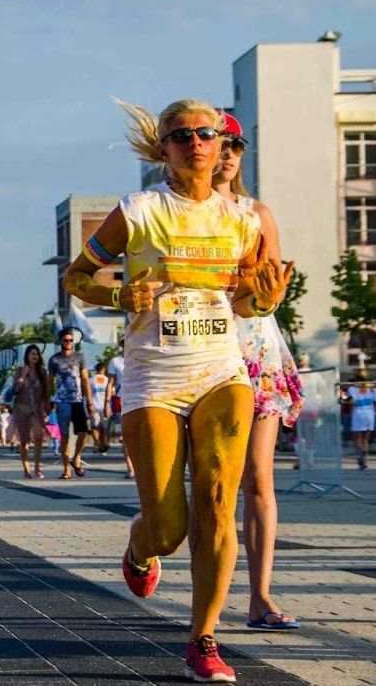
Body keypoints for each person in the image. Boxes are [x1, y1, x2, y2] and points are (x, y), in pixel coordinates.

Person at [63, 98, 290, 683]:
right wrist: (118, 296)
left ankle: (204, 639)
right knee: (169, 525)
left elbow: (245, 303)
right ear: (162, 148)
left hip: (221, 371)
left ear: (221, 146)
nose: (195, 142)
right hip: (154, 377)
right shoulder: (139, 212)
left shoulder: (242, 219)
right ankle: (142, 549)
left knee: (218, 500)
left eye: (205, 133)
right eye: (181, 134)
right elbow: (76, 278)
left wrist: (263, 300)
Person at [212, 112, 304, 631]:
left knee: (258, 477)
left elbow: (271, 284)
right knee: (208, 483)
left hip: (254, 349)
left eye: (235, 146)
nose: (226, 154)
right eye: (219, 144)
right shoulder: (180, 211)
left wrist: (266, 291)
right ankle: (151, 538)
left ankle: (260, 597)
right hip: (199, 349)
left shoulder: (256, 212)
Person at [47, 329, 93, 480]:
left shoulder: (80, 357)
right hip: (62, 401)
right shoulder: (54, 360)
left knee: (83, 433)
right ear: (60, 341)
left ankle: (76, 457)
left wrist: (89, 400)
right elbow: (50, 380)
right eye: (65, 340)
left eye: (70, 340)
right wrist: (47, 399)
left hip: (78, 400)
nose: (68, 343)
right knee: (65, 436)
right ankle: (67, 469)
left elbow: (85, 379)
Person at [10, 345, 48, 478]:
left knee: (38, 436)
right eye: (32, 354)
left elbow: (46, 392)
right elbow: (15, 389)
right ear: (27, 356)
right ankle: (26, 468)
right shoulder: (20, 370)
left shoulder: (42, 372)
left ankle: (37, 467)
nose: (35, 356)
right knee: (24, 440)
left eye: (37, 354)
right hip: (22, 408)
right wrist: (22, 375)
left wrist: (46, 408)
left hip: (37, 409)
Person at [105, 339, 133, 479]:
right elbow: (110, 383)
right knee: (124, 436)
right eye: (124, 342)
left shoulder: (138, 356)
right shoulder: (115, 362)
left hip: (137, 399)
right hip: (119, 401)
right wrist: (107, 403)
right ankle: (130, 468)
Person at [347, 369, 374, 470]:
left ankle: (361, 455)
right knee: (365, 439)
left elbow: (351, 403)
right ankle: (364, 459)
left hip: (358, 413)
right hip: (370, 413)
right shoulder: (371, 388)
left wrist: (351, 414)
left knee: (357, 439)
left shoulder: (352, 389)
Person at [89, 360, 110, 454]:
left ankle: (97, 444)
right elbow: (112, 392)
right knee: (104, 427)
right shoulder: (107, 380)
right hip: (104, 406)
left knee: (95, 426)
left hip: (94, 405)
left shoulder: (92, 379)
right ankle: (103, 443)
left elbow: (87, 393)